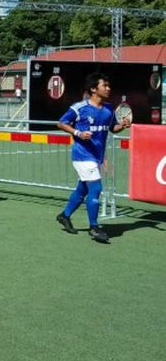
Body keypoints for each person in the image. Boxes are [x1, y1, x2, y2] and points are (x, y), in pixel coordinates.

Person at [55, 73, 130, 243]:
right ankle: (94, 228)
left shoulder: (109, 109)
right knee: (96, 188)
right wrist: (78, 133)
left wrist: (123, 126)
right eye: (105, 85)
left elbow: (113, 128)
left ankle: (64, 215)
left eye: (109, 85)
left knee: (83, 189)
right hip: (82, 155)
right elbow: (61, 123)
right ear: (94, 89)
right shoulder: (79, 108)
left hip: (97, 156)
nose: (109, 88)